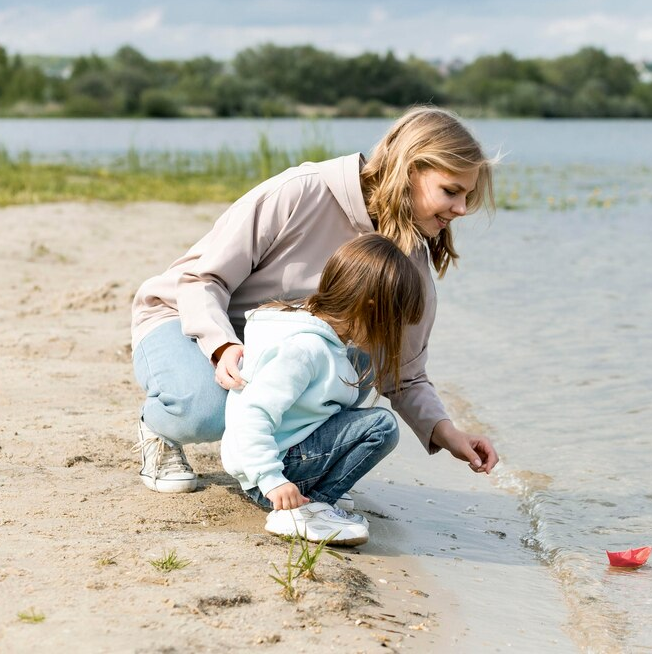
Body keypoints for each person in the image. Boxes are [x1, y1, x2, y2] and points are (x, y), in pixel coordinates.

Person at [130, 106, 499, 501]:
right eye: (451, 191)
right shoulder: (303, 190)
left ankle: (286, 470)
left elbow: (403, 373)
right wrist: (221, 345)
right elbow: (203, 278)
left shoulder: (409, 262)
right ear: (410, 170)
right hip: (188, 321)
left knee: (358, 366)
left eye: (467, 195)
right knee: (207, 411)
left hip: (282, 347)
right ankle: (159, 430)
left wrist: (449, 434)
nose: (461, 209)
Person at [221, 234, 423, 545]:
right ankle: (311, 506)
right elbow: (252, 414)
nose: (393, 335)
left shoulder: (314, 333)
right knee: (381, 426)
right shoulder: (306, 349)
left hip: (275, 462)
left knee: (355, 411)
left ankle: (313, 500)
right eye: (394, 323)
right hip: (273, 475)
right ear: (369, 309)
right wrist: (271, 480)